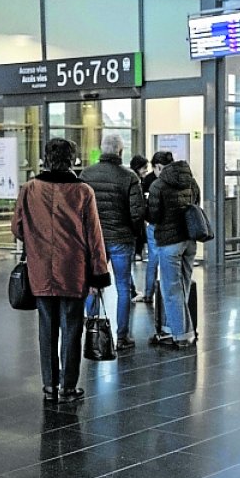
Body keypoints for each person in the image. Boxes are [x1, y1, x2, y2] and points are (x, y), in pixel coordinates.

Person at [12, 137, 110, 402]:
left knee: (46, 327)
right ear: (72, 160)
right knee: (72, 328)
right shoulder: (83, 191)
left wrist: (36, 240)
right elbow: (94, 236)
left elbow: (17, 227)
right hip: (74, 270)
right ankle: (68, 387)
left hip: (41, 269)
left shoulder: (30, 188)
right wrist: (99, 273)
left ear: (46, 159)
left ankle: (49, 386)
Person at [80, 135, 145, 350]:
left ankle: (92, 329)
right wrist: (134, 234)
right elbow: (137, 213)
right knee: (123, 286)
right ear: (120, 151)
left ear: (102, 150)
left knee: (92, 284)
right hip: (121, 239)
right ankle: (122, 336)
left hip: (93, 240)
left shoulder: (86, 175)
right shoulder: (129, 177)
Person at [147, 154, 202, 348]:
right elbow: (196, 204)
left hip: (170, 243)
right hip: (190, 240)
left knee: (170, 289)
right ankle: (172, 328)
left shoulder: (158, 185)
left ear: (159, 167)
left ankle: (181, 335)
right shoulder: (191, 181)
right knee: (183, 286)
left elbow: (153, 216)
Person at [137, 151, 170, 305]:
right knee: (169, 261)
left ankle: (148, 293)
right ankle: (166, 294)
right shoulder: (177, 179)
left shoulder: (149, 181)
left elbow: (143, 204)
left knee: (153, 260)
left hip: (155, 225)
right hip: (170, 226)